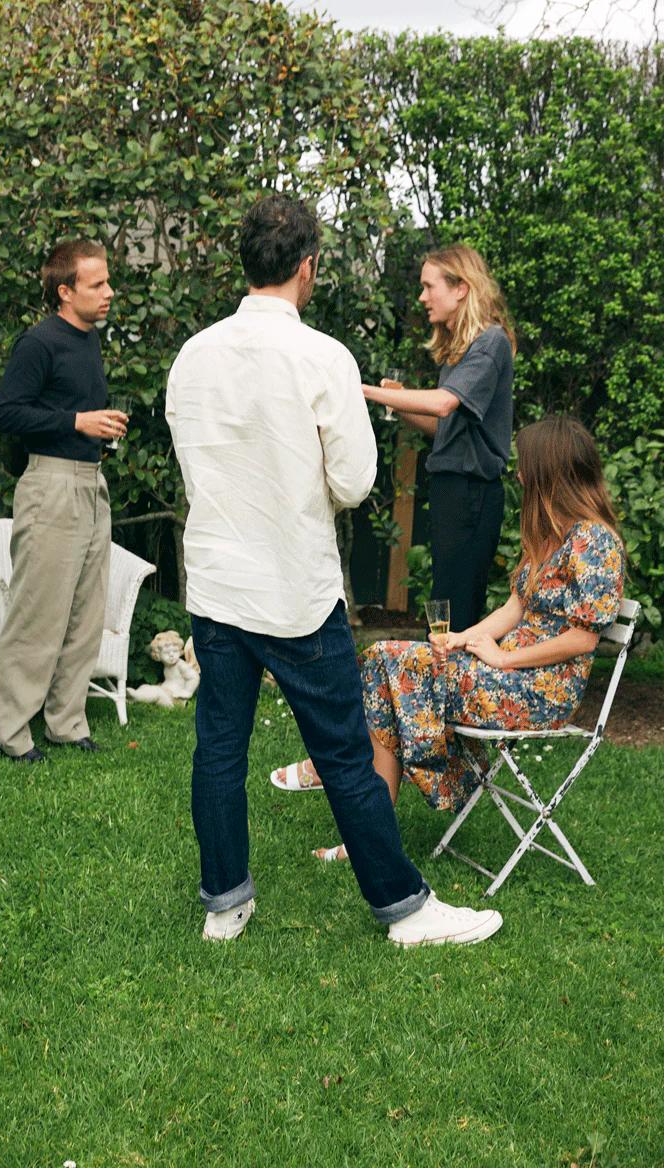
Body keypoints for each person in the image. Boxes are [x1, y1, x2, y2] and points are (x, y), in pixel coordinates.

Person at [166, 193, 503, 946]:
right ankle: (407, 911)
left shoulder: (193, 355)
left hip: (217, 584)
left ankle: (225, 901)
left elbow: (189, 453)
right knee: (346, 752)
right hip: (292, 588)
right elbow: (352, 482)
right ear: (308, 268)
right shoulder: (323, 357)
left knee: (218, 747)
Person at [272, 415, 624, 864]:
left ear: (549, 471)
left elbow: (582, 640)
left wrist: (502, 660)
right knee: (383, 658)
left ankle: (337, 770)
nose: (517, 473)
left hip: (541, 689)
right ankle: (367, 838)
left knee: (393, 664)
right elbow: (513, 610)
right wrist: (464, 639)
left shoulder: (594, 542)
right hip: (507, 673)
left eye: (525, 464)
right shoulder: (549, 538)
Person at [0, 239, 127, 761]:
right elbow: (6, 415)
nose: (109, 292)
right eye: (97, 284)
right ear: (66, 292)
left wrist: (97, 432)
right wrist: (77, 422)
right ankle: (13, 734)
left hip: (91, 484)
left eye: (107, 281)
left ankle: (66, 722)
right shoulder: (38, 343)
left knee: (84, 613)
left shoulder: (87, 339)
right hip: (50, 487)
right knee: (38, 614)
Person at [365, 244, 516, 632]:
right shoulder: (460, 351)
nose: (422, 297)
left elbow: (444, 404)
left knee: (458, 605)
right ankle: (448, 685)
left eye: (429, 286)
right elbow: (444, 427)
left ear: (461, 288)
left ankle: (457, 688)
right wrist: (400, 404)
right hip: (452, 489)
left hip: (474, 492)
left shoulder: (491, 341)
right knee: (444, 603)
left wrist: (367, 391)